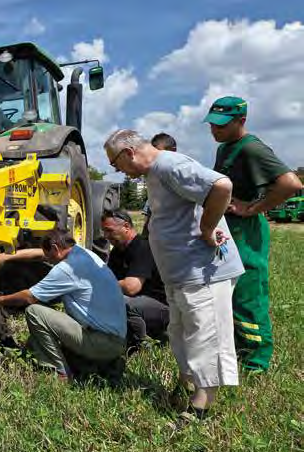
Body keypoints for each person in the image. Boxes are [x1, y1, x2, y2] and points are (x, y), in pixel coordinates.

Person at [104, 129, 244, 423]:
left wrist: (207, 229)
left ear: (128, 152)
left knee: (205, 332)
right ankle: (188, 381)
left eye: (116, 164)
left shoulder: (169, 165)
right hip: (180, 273)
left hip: (202, 271)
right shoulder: (155, 173)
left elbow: (221, 185)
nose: (118, 170)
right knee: (181, 330)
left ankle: (202, 405)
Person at [205, 96, 303, 372]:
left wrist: (253, 208)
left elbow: (290, 183)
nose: (215, 130)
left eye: (221, 126)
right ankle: (236, 348)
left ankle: (256, 360)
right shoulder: (226, 147)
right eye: (212, 124)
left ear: (241, 121)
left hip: (245, 230)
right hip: (229, 228)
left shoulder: (252, 149)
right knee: (230, 291)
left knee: (248, 293)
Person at [0, 228, 127, 381]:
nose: (48, 262)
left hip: (103, 343)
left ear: (56, 248)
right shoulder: (83, 253)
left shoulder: (67, 269)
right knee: (35, 341)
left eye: (49, 257)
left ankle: (60, 372)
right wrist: (6, 257)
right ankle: (96, 364)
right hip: (116, 341)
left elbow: (29, 297)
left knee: (35, 312)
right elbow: (41, 254)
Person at [101, 209, 169, 346]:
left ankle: (142, 343)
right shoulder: (117, 252)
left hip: (162, 308)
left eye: (109, 230)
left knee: (125, 304)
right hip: (140, 304)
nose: (105, 236)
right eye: (104, 231)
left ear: (126, 227)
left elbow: (131, 287)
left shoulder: (142, 247)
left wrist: (102, 283)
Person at [141, 133, 178, 237]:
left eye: (158, 152)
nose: (154, 157)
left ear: (173, 150)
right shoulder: (155, 178)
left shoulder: (183, 174)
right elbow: (148, 217)